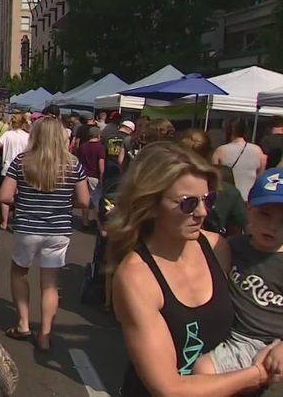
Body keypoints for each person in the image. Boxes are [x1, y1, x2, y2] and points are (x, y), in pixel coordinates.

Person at [107, 142, 277, 396]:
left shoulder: (217, 246)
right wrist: (259, 373)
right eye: (188, 203)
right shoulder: (136, 277)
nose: (202, 212)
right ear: (151, 204)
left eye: (209, 199)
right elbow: (170, 388)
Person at [0, 117, 89, 351]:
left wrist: (25, 200)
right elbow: (84, 201)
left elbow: (4, 196)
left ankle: (23, 323)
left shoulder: (22, 161)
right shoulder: (72, 164)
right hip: (58, 230)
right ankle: (45, 335)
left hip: (28, 227)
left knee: (19, 272)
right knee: (50, 284)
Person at [192, 168, 283, 378]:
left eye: (282, 221)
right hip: (230, 334)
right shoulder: (234, 246)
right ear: (248, 209)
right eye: (265, 215)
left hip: (265, 341)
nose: (272, 226)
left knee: (203, 370)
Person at [0, 113, 31, 231]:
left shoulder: (7, 135)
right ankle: (19, 220)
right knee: (21, 195)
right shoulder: (28, 136)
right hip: (24, 168)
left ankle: (4, 222)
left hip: (8, 168)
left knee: (5, 196)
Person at [213, 118, 266, 201]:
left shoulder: (220, 151)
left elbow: (213, 175)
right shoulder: (258, 150)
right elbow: (260, 176)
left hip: (227, 197)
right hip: (249, 198)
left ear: (228, 130)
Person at [79, 126, 105, 230]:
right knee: (97, 201)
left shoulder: (83, 146)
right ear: (98, 135)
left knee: (85, 200)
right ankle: (100, 224)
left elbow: (80, 162)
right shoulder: (100, 147)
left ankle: (85, 222)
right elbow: (101, 162)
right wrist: (102, 176)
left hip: (84, 175)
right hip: (95, 176)